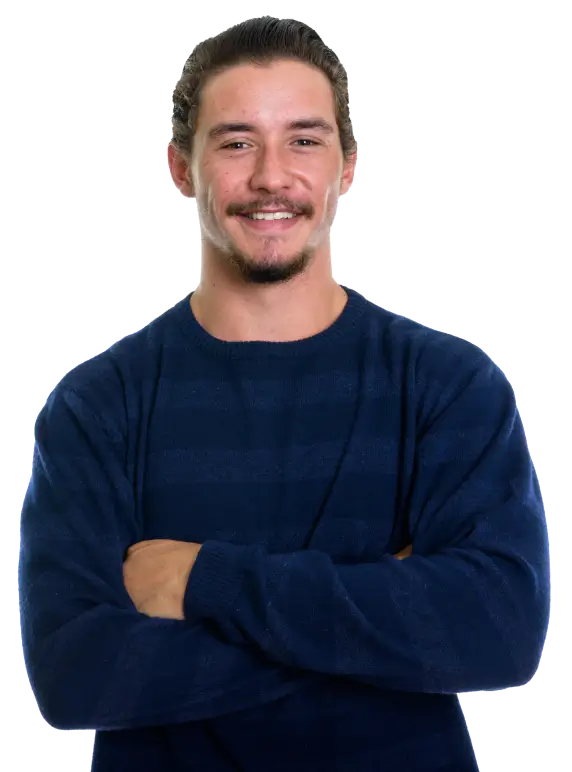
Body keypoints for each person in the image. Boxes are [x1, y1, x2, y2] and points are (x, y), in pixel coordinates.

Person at [18, 16, 550, 772]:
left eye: (303, 139)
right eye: (236, 143)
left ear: (347, 166)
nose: (272, 176)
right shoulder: (97, 407)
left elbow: (498, 631)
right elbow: (75, 677)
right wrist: (380, 615)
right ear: (180, 169)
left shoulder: (448, 386)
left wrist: (203, 581)